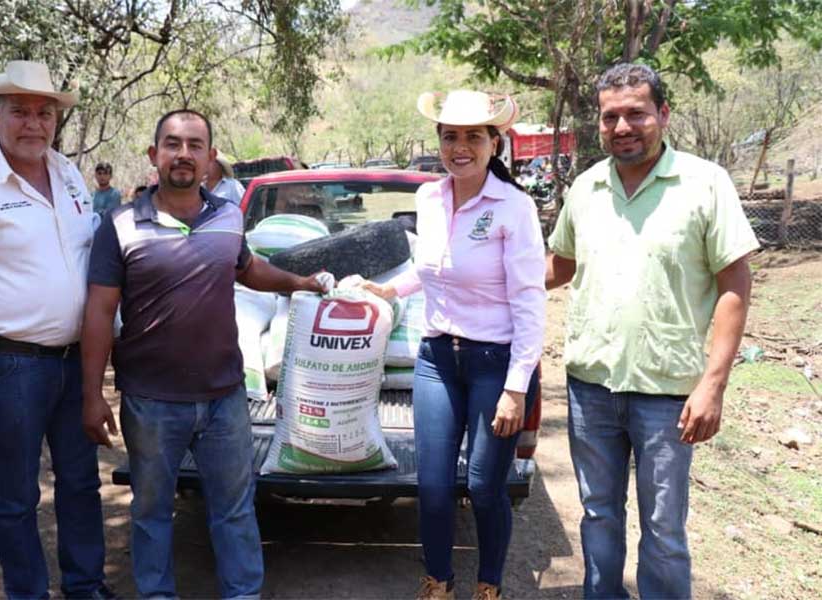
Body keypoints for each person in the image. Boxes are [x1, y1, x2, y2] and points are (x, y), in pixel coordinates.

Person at [80, 109, 329, 600]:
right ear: (154, 155)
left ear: (211, 158)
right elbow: (99, 311)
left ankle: (242, 594)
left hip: (224, 398)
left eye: (195, 145)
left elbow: (247, 268)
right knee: (151, 512)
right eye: (172, 144)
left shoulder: (228, 216)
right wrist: (92, 395)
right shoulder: (120, 225)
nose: (184, 154)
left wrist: (299, 282)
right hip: (151, 402)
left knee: (234, 509)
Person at [546, 63, 759, 600]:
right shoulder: (587, 188)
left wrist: (713, 385)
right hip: (590, 388)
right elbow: (560, 265)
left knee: (663, 530)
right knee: (598, 514)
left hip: (668, 394)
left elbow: (734, 284)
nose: (622, 127)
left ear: (662, 114)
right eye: (610, 117)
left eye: (636, 113)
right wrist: (477, 277)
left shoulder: (705, 183)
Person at [0, 60, 114, 600]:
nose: (33, 124)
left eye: (44, 114)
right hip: (13, 367)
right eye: (20, 112)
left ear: (55, 120)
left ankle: (85, 586)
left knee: (81, 482)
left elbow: (88, 261)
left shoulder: (69, 174)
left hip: (75, 361)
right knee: (15, 496)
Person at [363, 90, 546, 600]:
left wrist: (516, 388)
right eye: (450, 136)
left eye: (472, 137)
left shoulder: (514, 207)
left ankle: (489, 586)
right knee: (433, 486)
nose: (459, 147)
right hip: (437, 359)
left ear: (494, 143)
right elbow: (435, 268)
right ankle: (438, 582)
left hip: (497, 364)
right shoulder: (429, 198)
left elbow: (530, 302)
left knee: (485, 486)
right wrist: (391, 289)